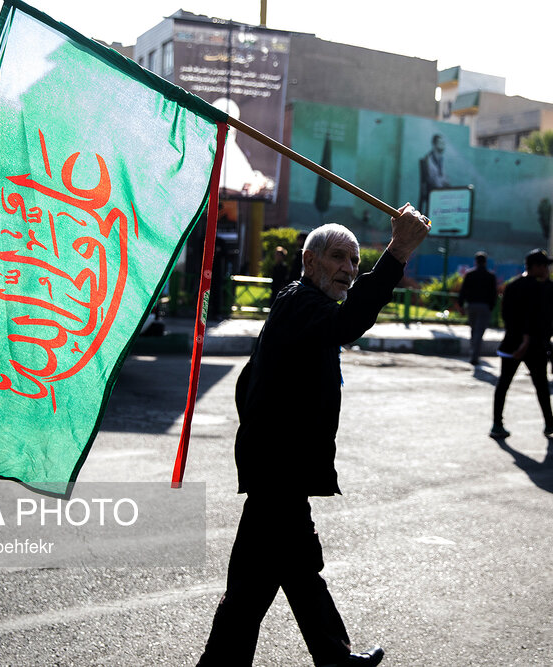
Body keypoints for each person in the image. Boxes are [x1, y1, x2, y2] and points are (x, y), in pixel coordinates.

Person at [196, 205, 431, 667]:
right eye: (339, 258)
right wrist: (398, 251)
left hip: (281, 469)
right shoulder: (299, 302)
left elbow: (251, 382)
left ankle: (325, 658)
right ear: (310, 261)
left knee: (279, 576)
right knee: (281, 576)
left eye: (354, 263)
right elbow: (349, 325)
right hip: (279, 471)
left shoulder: (307, 310)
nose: (347, 270)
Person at [490, 249, 553, 440]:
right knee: (539, 385)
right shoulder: (536, 287)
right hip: (528, 345)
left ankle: (497, 424)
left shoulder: (513, 285)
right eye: (545, 265)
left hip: (513, 343)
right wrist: (526, 339)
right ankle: (549, 422)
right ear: (536, 266)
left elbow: (506, 316)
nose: (547, 269)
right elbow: (533, 318)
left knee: (505, 384)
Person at [458, 251, 498, 365]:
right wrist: (491, 307)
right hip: (484, 307)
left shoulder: (470, 274)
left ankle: (473, 353)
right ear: (485, 262)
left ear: (476, 261)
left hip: (471, 306)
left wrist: (461, 305)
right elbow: (493, 294)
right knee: (479, 332)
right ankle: (475, 356)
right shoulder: (490, 276)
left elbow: (463, 291)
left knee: (473, 330)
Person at [418, 134, 450, 212]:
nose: (443, 145)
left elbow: (444, 177)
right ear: (435, 144)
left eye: (444, 143)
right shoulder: (428, 159)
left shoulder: (441, 159)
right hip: (433, 190)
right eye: (440, 143)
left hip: (440, 189)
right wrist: (444, 185)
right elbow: (433, 180)